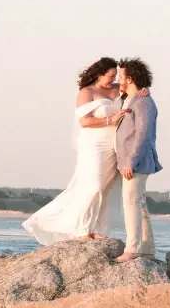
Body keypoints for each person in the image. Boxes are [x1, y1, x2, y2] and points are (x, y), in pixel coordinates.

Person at [22, 57, 125, 246]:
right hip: (94, 144)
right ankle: (81, 229)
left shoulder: (118, 88)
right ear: (99, 74)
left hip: (114, 144)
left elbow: (135, 89)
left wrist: (144, 90)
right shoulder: (87, 92)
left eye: (115, 75)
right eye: (110, 76)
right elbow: (85, 122)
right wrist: (112, 120)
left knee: (106, 187)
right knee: (93, 183)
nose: (113, 79)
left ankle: (98, 228)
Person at [112, 57, 161, 260]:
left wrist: (130, 161)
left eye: (121, 76)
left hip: (137, 162)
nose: (118, 79)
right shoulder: (130, 98)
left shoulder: (143, 103)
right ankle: (147, 249)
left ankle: (132, 249)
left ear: (130, 79)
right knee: (139, 204)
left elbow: (143, 135)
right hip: (130, 161)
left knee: (131, 203)